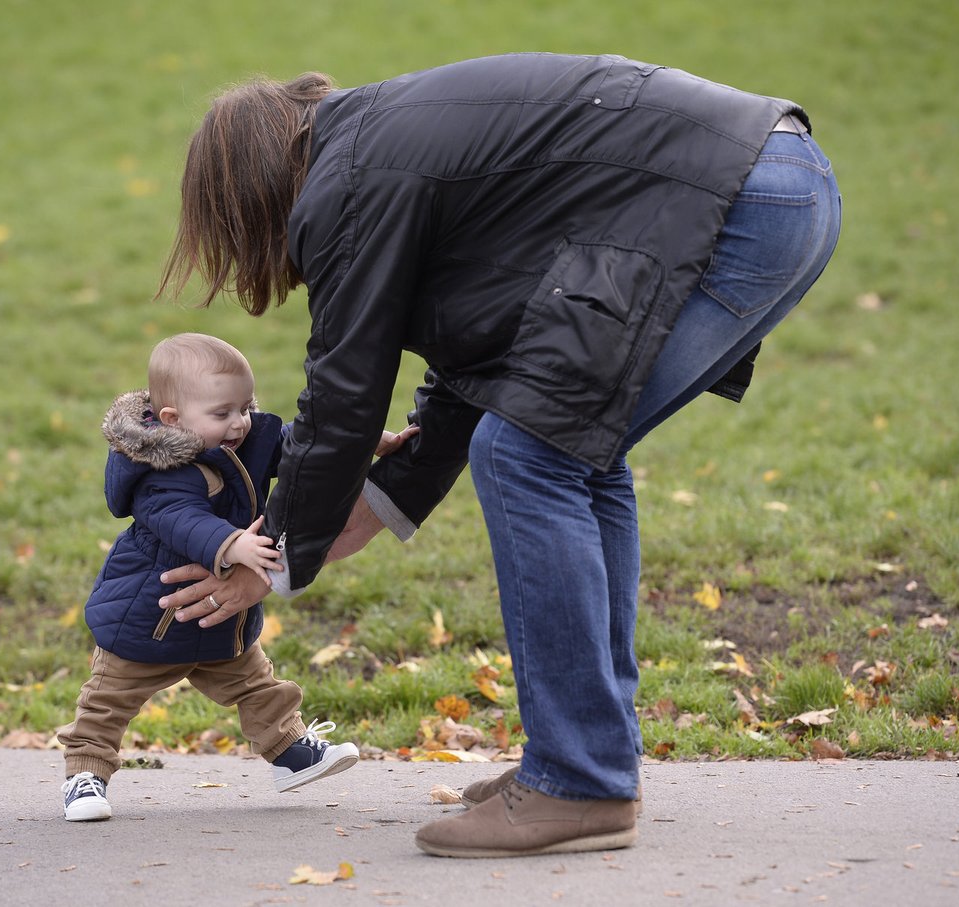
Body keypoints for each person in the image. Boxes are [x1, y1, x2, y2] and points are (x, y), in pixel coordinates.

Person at [153, 54, 842, 856]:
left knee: (530, 454)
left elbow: (345, 387)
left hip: (736, 196)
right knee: (571, 451)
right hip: (773, 179)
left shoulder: (348, 180)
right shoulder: (384, 150)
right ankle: (589, 764)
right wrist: (373, 507)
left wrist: (270, 557)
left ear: (251, 191)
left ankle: (578, 781)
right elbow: (482, 361)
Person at [56, 332, 417, 821]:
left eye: (245, 407)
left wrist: (367, 443)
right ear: (172, 420)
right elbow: (178, 517)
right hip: (150, 612)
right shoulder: (158, 469)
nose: (240, 422)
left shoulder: (245, 441)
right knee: (109, 698)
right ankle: (85, 776)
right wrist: (232, 544)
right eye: (223, 413)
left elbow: (302, 448)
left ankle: (290, 753)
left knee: (256, 685)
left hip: (220, 613)